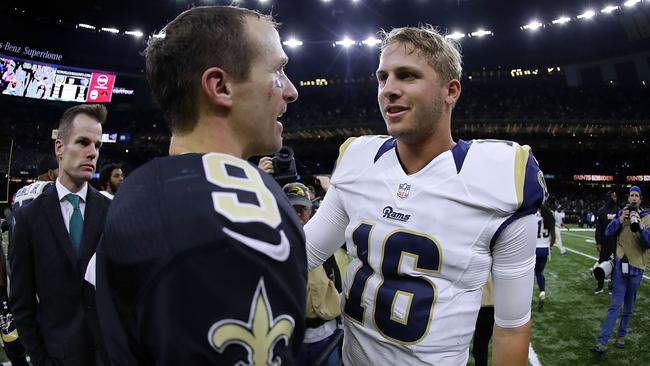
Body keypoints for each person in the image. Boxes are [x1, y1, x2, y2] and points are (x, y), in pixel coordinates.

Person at [303, 26, 547, 365]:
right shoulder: (357, 159)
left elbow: (511, 328)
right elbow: (302, 255)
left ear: (451, 91)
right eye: (382, 77)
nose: (388, 89)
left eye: (407, 76)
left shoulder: (503, 178)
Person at [95, 6, 306, 365]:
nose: (291, 91)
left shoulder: (139, 189)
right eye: (278, 70)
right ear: (220, 86)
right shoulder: (235, 215)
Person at [10, 104, 111, 366]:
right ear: (59, 148)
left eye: (97, 146)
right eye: (83, 142)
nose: (92, 153)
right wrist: (41, 359)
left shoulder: (112, 212)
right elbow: (21, 304)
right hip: (56, 358)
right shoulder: (29, 219)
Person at [282, 182, 341, 366]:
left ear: (310, 210)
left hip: (326, 335)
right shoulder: (276, 245)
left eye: (303, 208)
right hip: (292, 339)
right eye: (293, 208)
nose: (299, 215)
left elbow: (337, 282)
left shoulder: (326, 243)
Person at [591, 186, 650, 353]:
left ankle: (621, 335)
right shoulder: (621, 214)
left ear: (640, 199)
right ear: (628, 198)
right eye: (631, 195)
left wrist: (639, 226)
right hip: (620, 268)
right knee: (615, 305)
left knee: (629, 307)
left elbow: (648, 243)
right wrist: (619, 220)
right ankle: (602, 342)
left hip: (637, 267)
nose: (633, 198)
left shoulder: (647, 218)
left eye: (636, 195)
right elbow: (608, 232)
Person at [8, 155, 59, 265]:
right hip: (39, 255)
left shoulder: (20, 191)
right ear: (50, 174)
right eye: (60, 171)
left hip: (17, 253)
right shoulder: (50, 188)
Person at [594, 190, 619, 294]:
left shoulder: (618, 211)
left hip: (615, 244)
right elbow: (598, 229)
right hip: (604, 244)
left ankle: (612, 287)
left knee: (614, 266)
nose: (615, 198)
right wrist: (598, 242)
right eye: (613, 196)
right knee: (602, 264)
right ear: (609, 197)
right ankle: (600, 286)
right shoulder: (601, 211)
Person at [534, 205, 556, 308]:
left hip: (533, 249)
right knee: (539, 273)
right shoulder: (549, 216)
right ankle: (542, 292)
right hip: (544, 249)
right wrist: (550, 246)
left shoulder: (533, 214)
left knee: (528, 274)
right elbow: (554, 236)